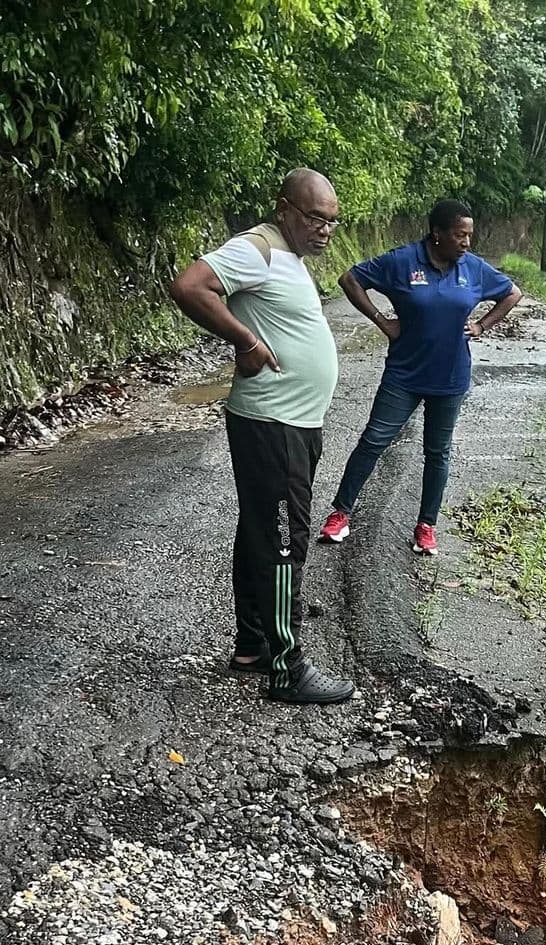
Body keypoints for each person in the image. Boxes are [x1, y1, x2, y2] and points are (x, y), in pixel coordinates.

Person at [168, 168, 352, 705]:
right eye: (315, 217)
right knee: (282, 539)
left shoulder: (288, 256)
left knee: (260, 531)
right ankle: (287, 667)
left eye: (332, 222)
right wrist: (245, 341)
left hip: (289, 423)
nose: (324, 229)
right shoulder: (258, 249)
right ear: (284, 208)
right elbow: (189, 286)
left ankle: (252, 645)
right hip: (274, 425)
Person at [319, 199, 523, 554]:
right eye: (460, 235)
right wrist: (383, 322)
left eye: (469, 235)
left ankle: (426, 526)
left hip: (450, 378)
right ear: (437, 233)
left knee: (438, 452)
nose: (466, 242)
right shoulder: (402, 261)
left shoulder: (473, 268)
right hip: (404, 375)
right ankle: (340, 513)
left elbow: (512, 293)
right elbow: (350, 279)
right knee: (374, 440)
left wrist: (481, 326)